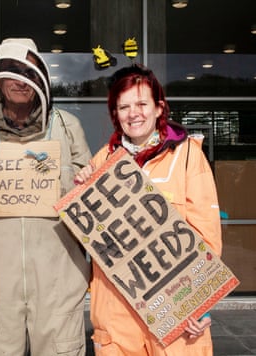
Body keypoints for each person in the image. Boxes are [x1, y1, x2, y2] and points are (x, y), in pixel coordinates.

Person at [74, 64, 223, 356]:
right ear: (115, 114)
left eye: (142, 103)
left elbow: (207, 236)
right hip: (116, 315)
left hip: (174, 311)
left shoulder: (188, 155)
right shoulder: (102, 159)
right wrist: (81, 189)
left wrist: (201, 303)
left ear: (158, 107)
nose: (134, 113)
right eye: (124, 106)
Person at [0, 38, 91, 355]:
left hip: (59, 279)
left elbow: (91, 198)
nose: (21, 81)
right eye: (12, 73)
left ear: (41, 79)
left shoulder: (67, 126)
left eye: (28, 73)